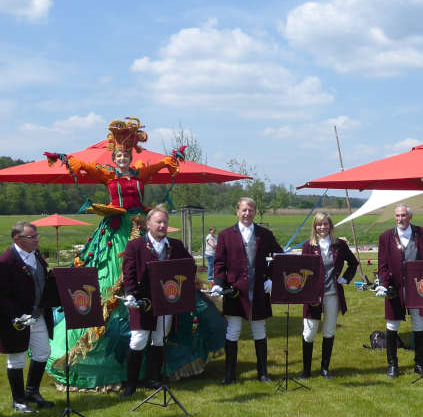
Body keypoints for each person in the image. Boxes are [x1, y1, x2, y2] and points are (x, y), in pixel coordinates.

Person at [42, 119, 226, 390]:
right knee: (118, 274)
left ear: (131, 157)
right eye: (118, 155)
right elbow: (89, 170)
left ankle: (153, 371)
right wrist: (69, 160)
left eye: (126, 155)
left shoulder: (140, 175)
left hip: (138, 225)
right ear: (114, 158)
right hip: (115, 231)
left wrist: (171, 159)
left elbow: (157, 166)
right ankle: (127, 372)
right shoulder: (108, 176)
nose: (122, 159)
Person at [119, 206, 194, 398]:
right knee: (138, 340)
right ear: (148, 224)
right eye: (158, 222)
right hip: (141, 301)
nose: (162, 226)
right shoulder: (135, 246)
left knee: (159, 338)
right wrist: (129, 293)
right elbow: (128, 272)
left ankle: (154, 378)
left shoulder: (175, 246)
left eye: (165, 222)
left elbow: (189, 267)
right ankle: (131, 384)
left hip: (166, 301)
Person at [212, 197, 283, 385]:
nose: (247, 213)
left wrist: (272, 279)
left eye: (251, 210)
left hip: (259, 290)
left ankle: (263, 373)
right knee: (233, 331)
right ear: (237, 211)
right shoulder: (225, 235)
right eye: (244, 210)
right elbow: (219, 262)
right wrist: (218, 283)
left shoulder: (265, 234)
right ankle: (230, 375)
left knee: (259, 330)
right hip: (235, 292)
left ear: (255, 212)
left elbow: (279, 257)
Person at [376, 204, 423, 378]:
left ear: (410, 217)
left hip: (418, 287)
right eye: (397, 216)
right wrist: (383, 283)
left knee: (419, 324)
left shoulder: (421, 233)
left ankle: (419, 364)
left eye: (403, 215)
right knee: (392, 325)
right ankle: (392, 365)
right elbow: (382, 265)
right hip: (394, 287)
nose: (400, 219)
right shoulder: (385, 237)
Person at [0, 222, 59, 412]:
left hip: (38, 314)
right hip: (16, 319)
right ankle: (18, 400)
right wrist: (17, 316)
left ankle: (32, 392)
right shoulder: (6, 261)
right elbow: (2, 295)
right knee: (17, 358)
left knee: (43, 353)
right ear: (17, 239)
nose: (36, 239)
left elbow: (43, 280)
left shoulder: (37, 256)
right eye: (32, 237)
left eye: (36, 236)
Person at [300, 212, 359, 379]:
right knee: (309, 332)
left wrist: (345, 278)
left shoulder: (339, 245)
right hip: (313, 297)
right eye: (319, 224)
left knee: (329, 331)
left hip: (333, 294)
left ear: (330, 226)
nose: (322, 227)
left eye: (325, 224)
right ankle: (306, 370)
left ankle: (325, 368)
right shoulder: (308, 246)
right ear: (314, 227)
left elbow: (353, 263)